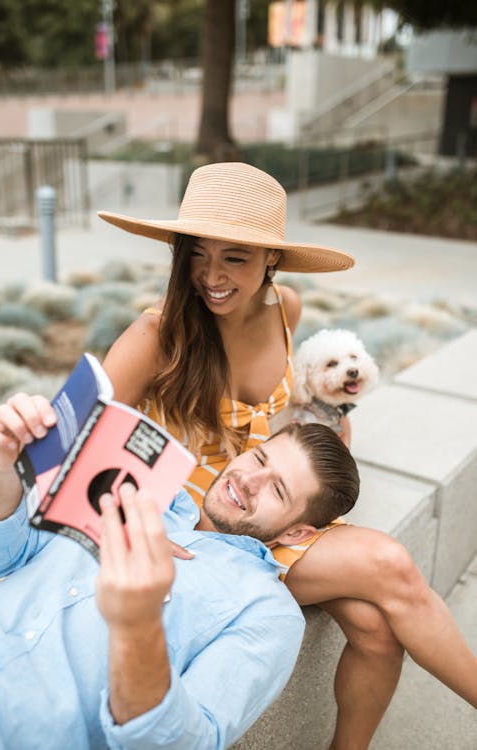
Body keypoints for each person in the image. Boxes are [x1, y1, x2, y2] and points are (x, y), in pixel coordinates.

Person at [99, 161, 477, 748]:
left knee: (377, 627)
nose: (210, 276)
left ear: (272, 259)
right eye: (197, 253)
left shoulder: (286, 308)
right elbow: (67, 444)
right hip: (202, 528)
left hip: (269, 499)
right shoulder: (157, 335)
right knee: (393, 568)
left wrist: (326, 427)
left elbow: (279, 408)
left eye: (234, 257)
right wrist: (125, 520)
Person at [0, 392, 359, 750]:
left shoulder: (268, 612)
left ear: (296, 532)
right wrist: (2, 466)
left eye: (278, 491)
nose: (248, 480)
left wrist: (137, 628)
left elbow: (187, 742)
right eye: (259, 459)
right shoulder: (142, 484)